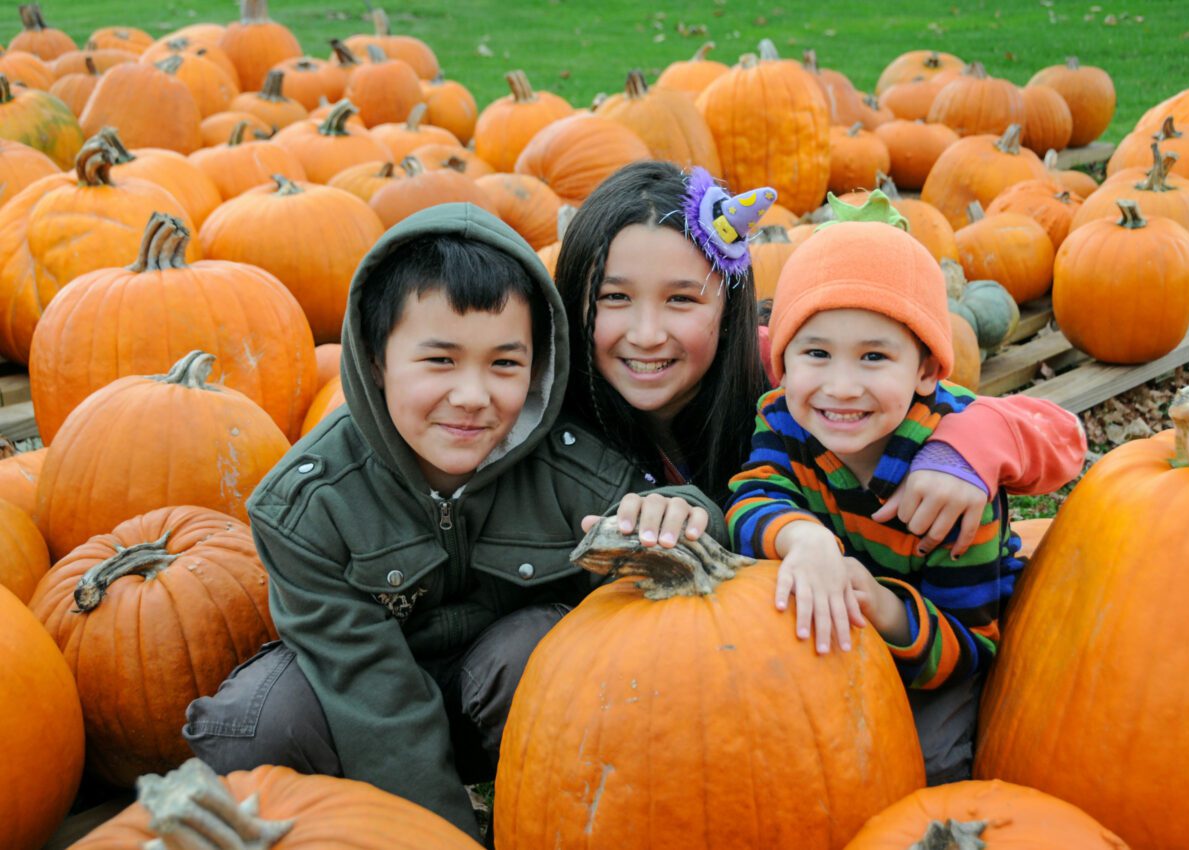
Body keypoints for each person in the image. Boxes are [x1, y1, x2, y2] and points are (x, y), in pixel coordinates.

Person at [183, 204, 720, 841]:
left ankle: (546, 820)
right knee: (254, 724)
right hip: (365, 709)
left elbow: (688, 538)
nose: (472, 396)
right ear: (376, 359)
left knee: (532, 650)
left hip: (505, 705)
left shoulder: (571, 473)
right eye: (439, 361)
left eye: (504, 364)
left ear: (539, 368)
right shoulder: (308, 506)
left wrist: (684, 514)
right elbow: (371, 691)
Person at [558, 161, 1085, 637]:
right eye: (614, 297)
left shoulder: (790, 372)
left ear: (728, 303)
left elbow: (1060, 436)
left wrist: (969, 444)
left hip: (870, 623)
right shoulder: (556, 404)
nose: (647, 333)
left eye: (680, 299)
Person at [724, 197, 1086, 784]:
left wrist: (879, 605)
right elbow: (750, 497)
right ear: (781, 362)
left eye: (873, 357)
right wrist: (804, 540)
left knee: (925, 765)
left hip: (933, 642)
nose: (841, 387)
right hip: (838, 620)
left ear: (924, 370)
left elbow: (969, 646)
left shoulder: (956, 486)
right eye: (816, 353)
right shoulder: (787, 419)